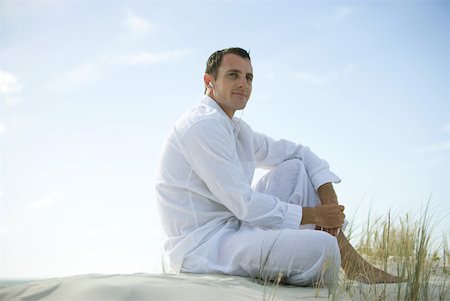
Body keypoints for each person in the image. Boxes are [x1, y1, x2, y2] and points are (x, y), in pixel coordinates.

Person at [155, 47, 401, 291]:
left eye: (248, 77)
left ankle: (352, 263)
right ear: (209, 81)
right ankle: (328, 261)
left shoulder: (238, 130)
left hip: (235, 229)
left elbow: (299, 152)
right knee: (323, 248)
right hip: (204, 247)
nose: (243, 84)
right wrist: (316, 215)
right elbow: (245, 204)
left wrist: (328, 195)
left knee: (295, 169)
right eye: (233, 75)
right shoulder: (203, 125)